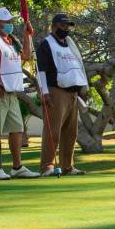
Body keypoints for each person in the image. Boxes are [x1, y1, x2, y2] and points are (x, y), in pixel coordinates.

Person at [0, 7, 40, 180]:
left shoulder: (11, 41)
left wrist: (27, 35)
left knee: (17, 128)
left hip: (10, 91)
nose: (10, 25)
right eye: (6, 22)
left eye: (11, 21)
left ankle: (17, 167)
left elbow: (25, 55)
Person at [36, 13, 89, 176]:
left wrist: (82, 88)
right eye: (63, 25)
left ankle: (67, 166)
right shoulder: (46, 44)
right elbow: (41, 70)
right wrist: (44, 92)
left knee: (70, 133)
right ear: (54, 25)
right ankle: (47, 166)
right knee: (53, 131)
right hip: (55, 91)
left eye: (68, 26)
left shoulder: (70, 45)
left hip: (73, 93)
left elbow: (77, 67)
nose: (66, 28)